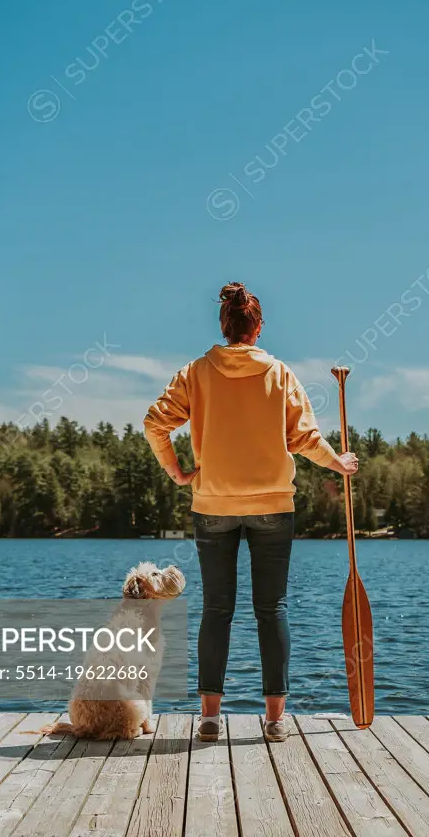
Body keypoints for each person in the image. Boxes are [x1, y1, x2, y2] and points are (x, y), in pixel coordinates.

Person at [143, 282, 358, 742]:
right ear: (258, 328)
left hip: (213, 507)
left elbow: (153, 423)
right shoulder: (279, 374)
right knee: (271, 608)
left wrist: (178, 471)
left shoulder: (196, 372)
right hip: (272, 508)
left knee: (217, 609)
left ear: (224, 325)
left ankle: (208, 718)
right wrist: (338, 463)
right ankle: (276, 721)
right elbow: (303, 439)